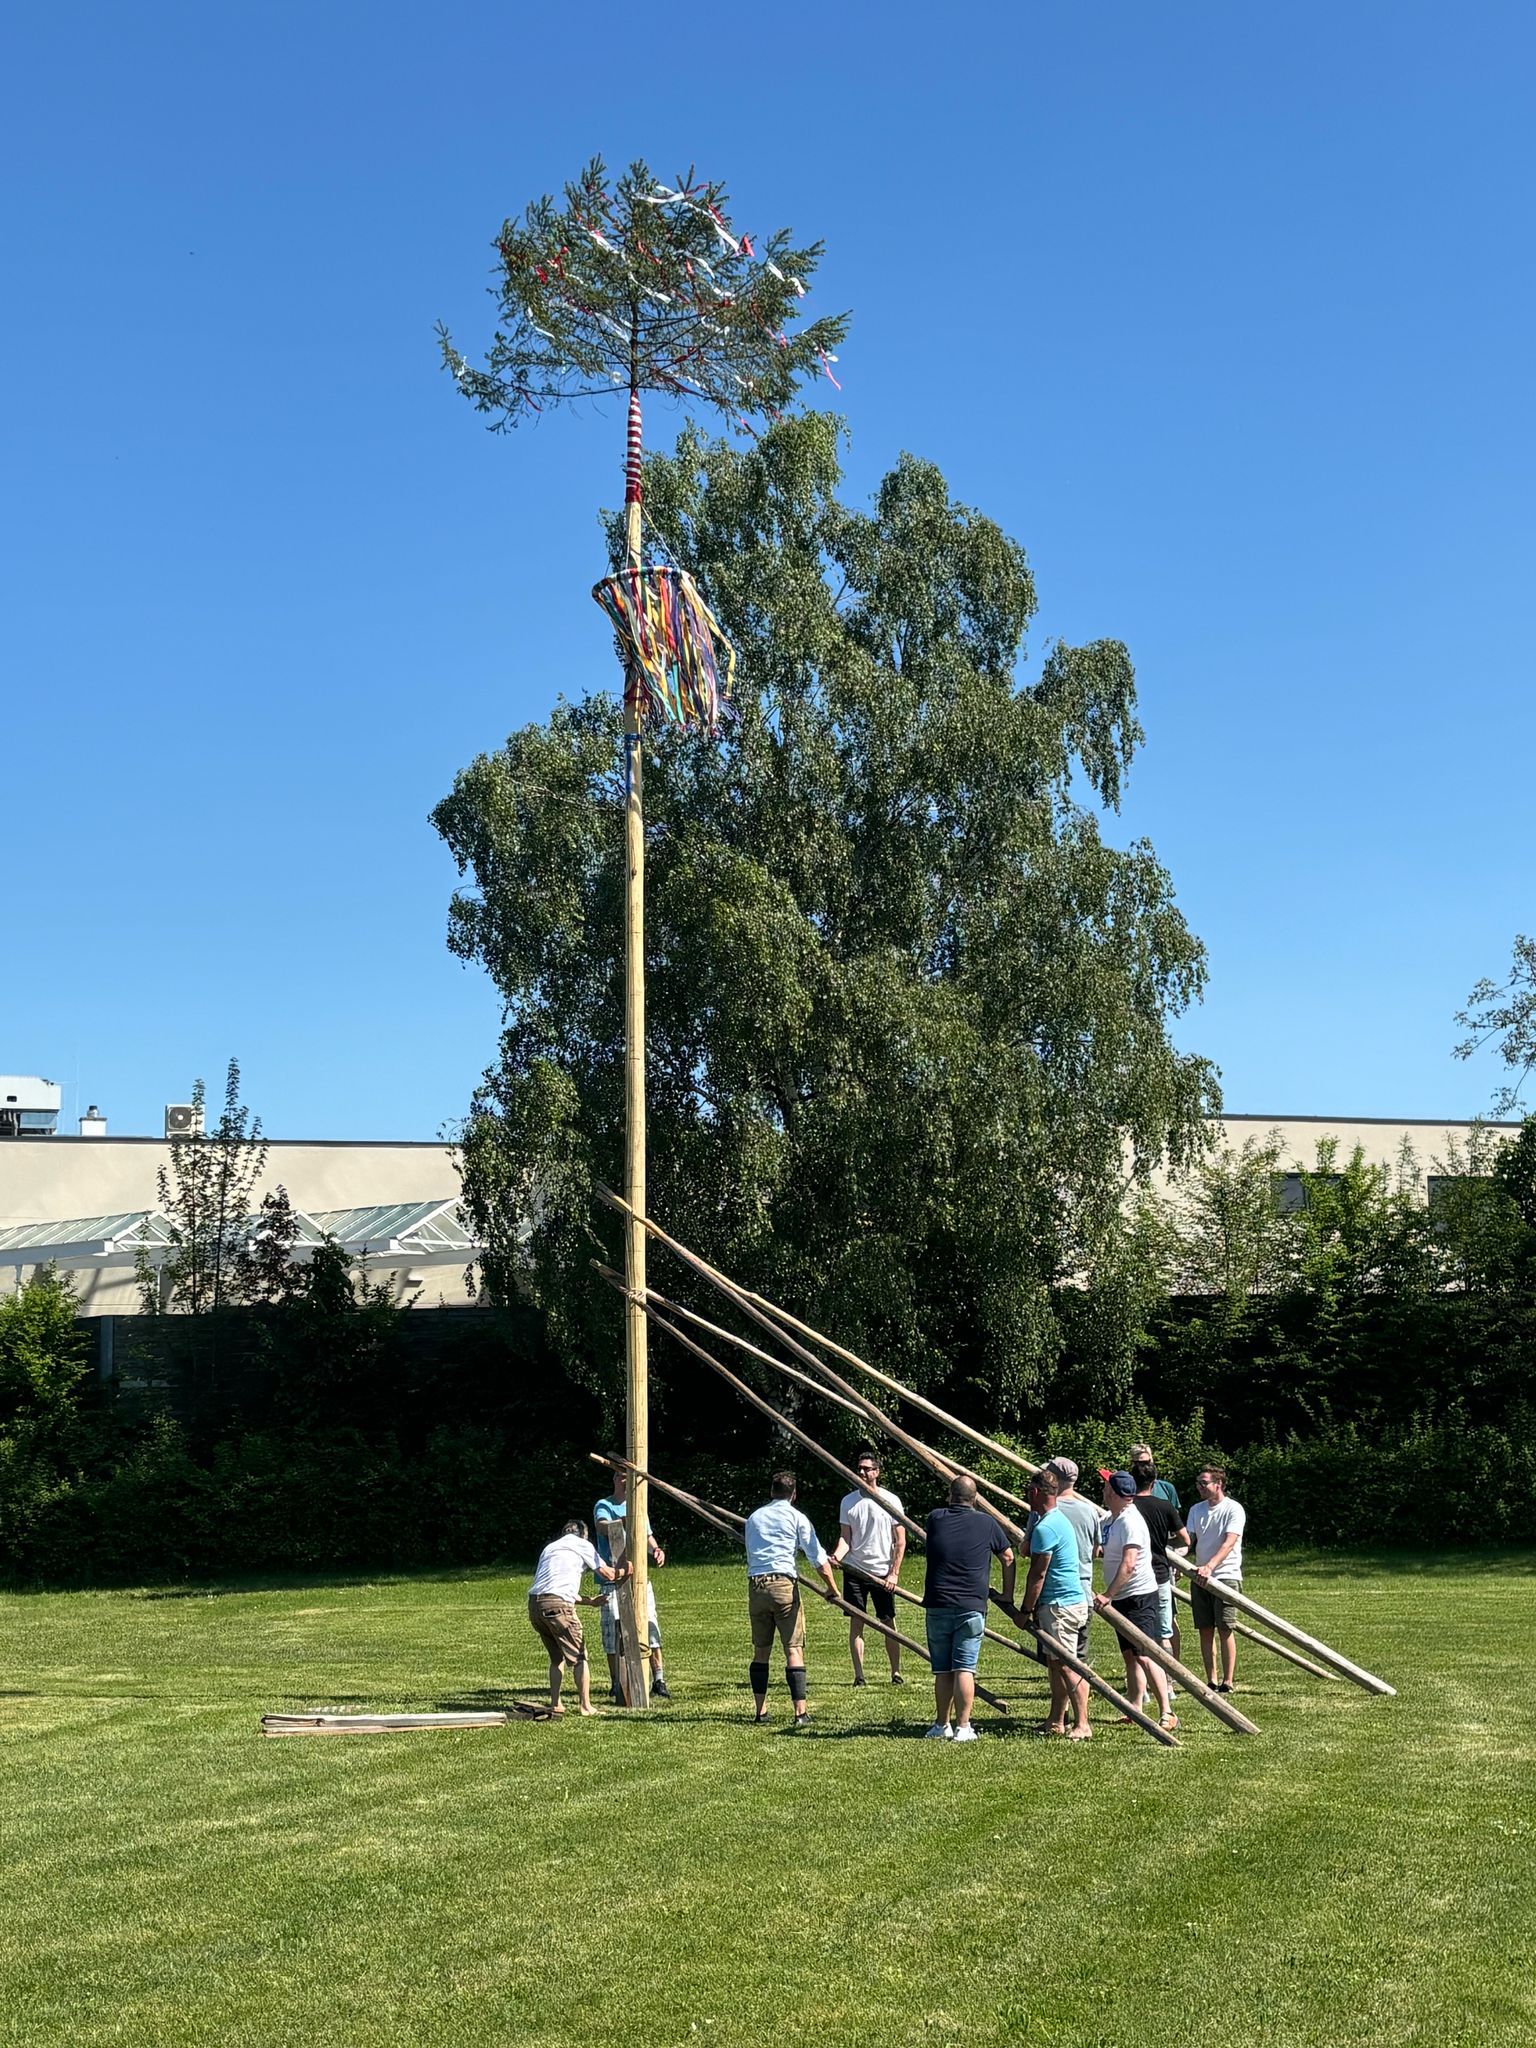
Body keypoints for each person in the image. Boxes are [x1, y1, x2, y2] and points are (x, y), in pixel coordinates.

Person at [921, 1474, 1014, 1743]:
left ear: (950, 1496)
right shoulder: (987, 1523)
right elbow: (1008, 1557)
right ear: (975, 1499)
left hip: (938, 1602)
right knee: (964, 1667)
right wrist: (1007, 1594)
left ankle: (942, 1724)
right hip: (971, 1604)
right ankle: (963, 1727)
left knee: (942, 1669)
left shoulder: (935, 1518)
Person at [743, 1470, 839, 1728]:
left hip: (756, 1586)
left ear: (771, 1492)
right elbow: (818, 1559)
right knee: (793, 1649)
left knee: (761, 1651)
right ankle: (800, 1713)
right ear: (793, 1494)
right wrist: (832, 1588)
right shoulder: (797, 1518)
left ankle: (760, 1712)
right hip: (783, 1585)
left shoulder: (754, 1518)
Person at [1096, 1472, 1175, 1731]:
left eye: (1106, 1486)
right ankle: (1135, 1708)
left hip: (1138, 1595)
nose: (1103, 1490)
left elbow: (1129, 1564)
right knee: (1130, 1656)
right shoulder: (1111, 1518)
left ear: (1114, 1493)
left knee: (1145, 1655)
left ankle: (1167, 1711)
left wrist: (1108, 1595)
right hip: (1122, 1596)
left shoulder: (1131, 1520)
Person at [527, 1518, 629, 1717]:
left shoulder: (550, 1548)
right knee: (579, 1657)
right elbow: (608, 1574)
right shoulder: (582, 1544)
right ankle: (586, 1706)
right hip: (558, 1607)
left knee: (556, 1658)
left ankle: (556, 1703)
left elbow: (552, 1588)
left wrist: (590, 1601)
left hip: (535, 1606)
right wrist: (626, 1570)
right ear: (583, 1535)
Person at [1017, 1467, 1091, 1738]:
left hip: (1061, 1605)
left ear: (1036, 1492)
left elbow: (1037, 1574)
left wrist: (1025, 1610)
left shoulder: (1047, 1527)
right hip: (1060, 1603)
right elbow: (1028, 1553)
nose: (1027, 1496)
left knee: (1067, 1665)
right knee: (1055, 1664)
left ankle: (1083, 1723)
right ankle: (1056, 1720)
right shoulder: (1053, 1520)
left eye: (1029, 1491)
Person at [829, 1445, 907, 1687]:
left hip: (882, 1572)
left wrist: (893, 1573)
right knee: (857, 1621)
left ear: (877, 1472)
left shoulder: (891, 1500)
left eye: (866, 1469)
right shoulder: (848, 1502)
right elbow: (846, 1538)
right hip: (855, 1570)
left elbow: (900, 1540)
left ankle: (896, 1673)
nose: (862, 1473)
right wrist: (837, 1557)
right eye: (859, 1469)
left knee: (888, 1622)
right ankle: (859, 1676)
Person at [593, 1469, 670, 1703]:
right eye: (622, 1477)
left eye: (629, 1478)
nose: (626, 1481)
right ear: (615, 1479)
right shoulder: (604, 1505)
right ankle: (617, 1682)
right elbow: (602, 1527)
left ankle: (659, 1680)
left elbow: (647, 1536)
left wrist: (656, 1550)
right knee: (612, 1631)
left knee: (650, 1626)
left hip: (640, 1579)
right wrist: (624, 1521)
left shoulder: (639, 1508)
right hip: (612, 1579)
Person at [1186, 1465, 1247, 1692]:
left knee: (1225, 1628)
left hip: (1225, 1576)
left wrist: (1210, 1566)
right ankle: (1211, 1679)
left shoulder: (1233, 1509)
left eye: (1204, 1483)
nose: (1200, 1487)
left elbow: (1229, 1542)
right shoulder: (1196, 1510)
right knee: (1205, 1628)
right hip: (1200, 1577)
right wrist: (1177, 1559)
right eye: (1198, 1484)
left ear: (1218, 1484)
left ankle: (1227, 1681)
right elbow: (1188, 1541)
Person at [1130, 1458, 1189, 1673]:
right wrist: (1164, 1541)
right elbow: (1185, 1539)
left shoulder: (1128, 1507)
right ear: (1154, 1482)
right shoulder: (1165, 1506)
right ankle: (1168, 1681)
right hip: (1160, 1572)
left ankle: (1142, 1681)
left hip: (1135, 1574)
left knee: (1136, 1632)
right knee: (1163, 1632)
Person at [1046, 1457, 1105, 1664]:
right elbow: (1096, 1551)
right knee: (1079, 1659)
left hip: (1055, 1594)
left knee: (1056, 1661)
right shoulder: (1090, 1510)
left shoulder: (1047, 1508)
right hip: (1084, 1591)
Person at [1128, 1442, 1182, 1514]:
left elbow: (1174, 1515)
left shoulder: (1167, 1488)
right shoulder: (1125, 1489)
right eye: (1137, 1463)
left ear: (1151, 1462)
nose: (1141, 1467)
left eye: (1145, 1463)